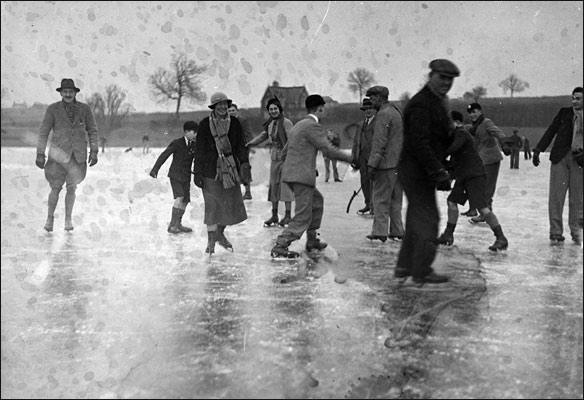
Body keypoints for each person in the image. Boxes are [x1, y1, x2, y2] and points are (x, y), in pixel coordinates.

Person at [394, 59, 460, 288]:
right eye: (442, 77)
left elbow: (437, 137)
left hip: (419, 171)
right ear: (430, 76)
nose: (446, 83)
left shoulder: (436, 101)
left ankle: (404, 266)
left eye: (450, 79)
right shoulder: (422, 104)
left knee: (416, 220)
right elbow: (419, 143)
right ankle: (421, 270)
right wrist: (438, 171)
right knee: (429, 221)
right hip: (416, 171)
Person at [270, 95, 354, 258]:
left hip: (295, 174)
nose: (326, 111)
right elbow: (328, 150)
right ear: (320, 108)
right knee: (303, 214)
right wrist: (351, 159)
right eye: (324, 108)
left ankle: (311, 240)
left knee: (317, 202)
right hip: (301, 176)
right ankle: (281, 244)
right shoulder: (313, 126)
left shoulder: (298, 125)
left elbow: (285, 152)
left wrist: (301, 165)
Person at [436, 111, 508, 251]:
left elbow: (451, 149)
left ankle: (501, 238)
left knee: (483, 208)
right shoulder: (455, 135)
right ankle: (448, 235)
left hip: (475, 176)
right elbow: (453, 160)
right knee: (452, 201)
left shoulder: (461, 133)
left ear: (455, 122)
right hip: (464, 176)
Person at [36, 78, 99, 232]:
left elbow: (92, 130)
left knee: (72, 188)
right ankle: (49, 219)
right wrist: (40, 153)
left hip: (77, 156)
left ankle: (67, 220)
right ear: (61, 93)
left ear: (75, 93)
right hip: (57, 157)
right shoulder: (53, 109)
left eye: (71, 92)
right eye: (65, 92)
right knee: (55, 187)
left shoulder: (84, 109)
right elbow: (44, 132)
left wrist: (94, 151)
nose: (68, 94)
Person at [193, 92, 250, 255]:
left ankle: (219, 233)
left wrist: (244, 163)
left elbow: (240, 145)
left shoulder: (235, 123)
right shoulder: (205, 124)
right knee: (212, 207)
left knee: (230, 205)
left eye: (225, 104)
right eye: (219, 105)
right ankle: (211, 241)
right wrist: (197, 172)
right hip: (209, 172)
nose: (223, 107)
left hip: (230, 170)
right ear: (213, 107)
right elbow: (199, 150)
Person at [532, 87, 583, 244]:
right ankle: (555, 232)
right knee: (556, 197)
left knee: (578, 199)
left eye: (578, 98)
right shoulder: (564, 113)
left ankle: (576, 232)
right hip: (560, 158)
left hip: (580, 161)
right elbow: (551, 131)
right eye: (573, 98)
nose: (574, 101)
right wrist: (538, 149)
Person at [246, 96, 295, 227]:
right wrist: (251, 143)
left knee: (285, 186)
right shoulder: (271, 123)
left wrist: (287, 155)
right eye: (271, 109)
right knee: (274, 185)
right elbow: (264, 135)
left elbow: (292, 140)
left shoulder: (286, 122)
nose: (273, 111)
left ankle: (288, 216)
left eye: (275, 108)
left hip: (286, 158)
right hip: (275, 158)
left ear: (280, 109)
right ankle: (274, 215)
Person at [365, 85, 405, 243]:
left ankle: (380, 232)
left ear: (379, 98)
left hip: (385, 165)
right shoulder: (396, 111)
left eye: (373, 97)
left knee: (380, 199)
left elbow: (379, 142)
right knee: (396, 200)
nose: (371, 100)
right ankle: (397, 230)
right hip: (398, 164)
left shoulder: (382, 115)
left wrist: (372, 164)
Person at [149, 121, 198, 234]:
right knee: (180, 197)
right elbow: (164, 155)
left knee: (185, 200)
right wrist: (155, 169)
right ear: (186, 132)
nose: (196, 135)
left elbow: (198, 160)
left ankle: (178, 224)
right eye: (194, 132)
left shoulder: (195, 145)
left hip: (186, 176)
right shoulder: (177, 143)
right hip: (175, 175)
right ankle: (172, 225)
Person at [464, 102, 508, 223]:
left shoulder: (486, 122)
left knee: (487, 188)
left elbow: (498, 132)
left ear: (480, 111)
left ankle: (485, 214)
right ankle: (486, 213)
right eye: (470, 113)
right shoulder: (474, 126)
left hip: (491, 159)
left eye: (474, 112)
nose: (472, 115)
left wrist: (504, 143)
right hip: (482, 160)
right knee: (482, 187)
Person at [351, 98, 376, 215]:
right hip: (361, 157)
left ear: (374, 109)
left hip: (373, 156)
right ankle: (367, 203)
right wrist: (354, 157)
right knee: (364, 180)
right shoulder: (360, 124)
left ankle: (374, 205)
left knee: (373, 181)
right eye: (365, 109)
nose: (368, 111)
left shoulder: (378, 123)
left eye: (370, 108)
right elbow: (356, 142)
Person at [227, 103, 254, 200]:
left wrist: (250, 145)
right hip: (231, 150)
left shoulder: (242, 121)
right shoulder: (226, 122)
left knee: (245, 169)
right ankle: (236, 194)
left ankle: (248, 192)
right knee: (233, 170)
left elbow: (249, 133)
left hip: (242, 149)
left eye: (233, 110)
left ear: (237, 111)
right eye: (229, 111)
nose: (231, 112)